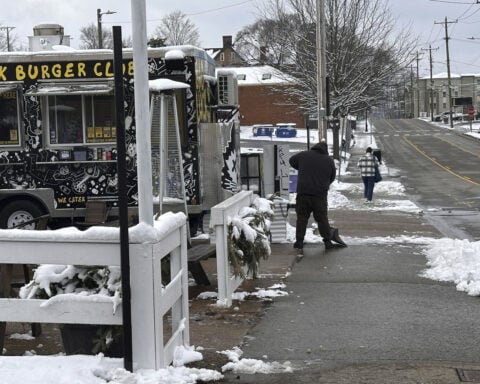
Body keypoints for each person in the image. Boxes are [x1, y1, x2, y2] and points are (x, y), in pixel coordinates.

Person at [289, 141, 346, 251]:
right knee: (322, 219)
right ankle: (327, 242)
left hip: (303, 194)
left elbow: (291, 161)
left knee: (302, 218)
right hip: (319, 195)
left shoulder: (304, 155)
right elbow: (332, 176)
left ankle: (299, 241)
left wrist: (301, 167)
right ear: (325, 150)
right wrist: (324, 183)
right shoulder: (328, 160)